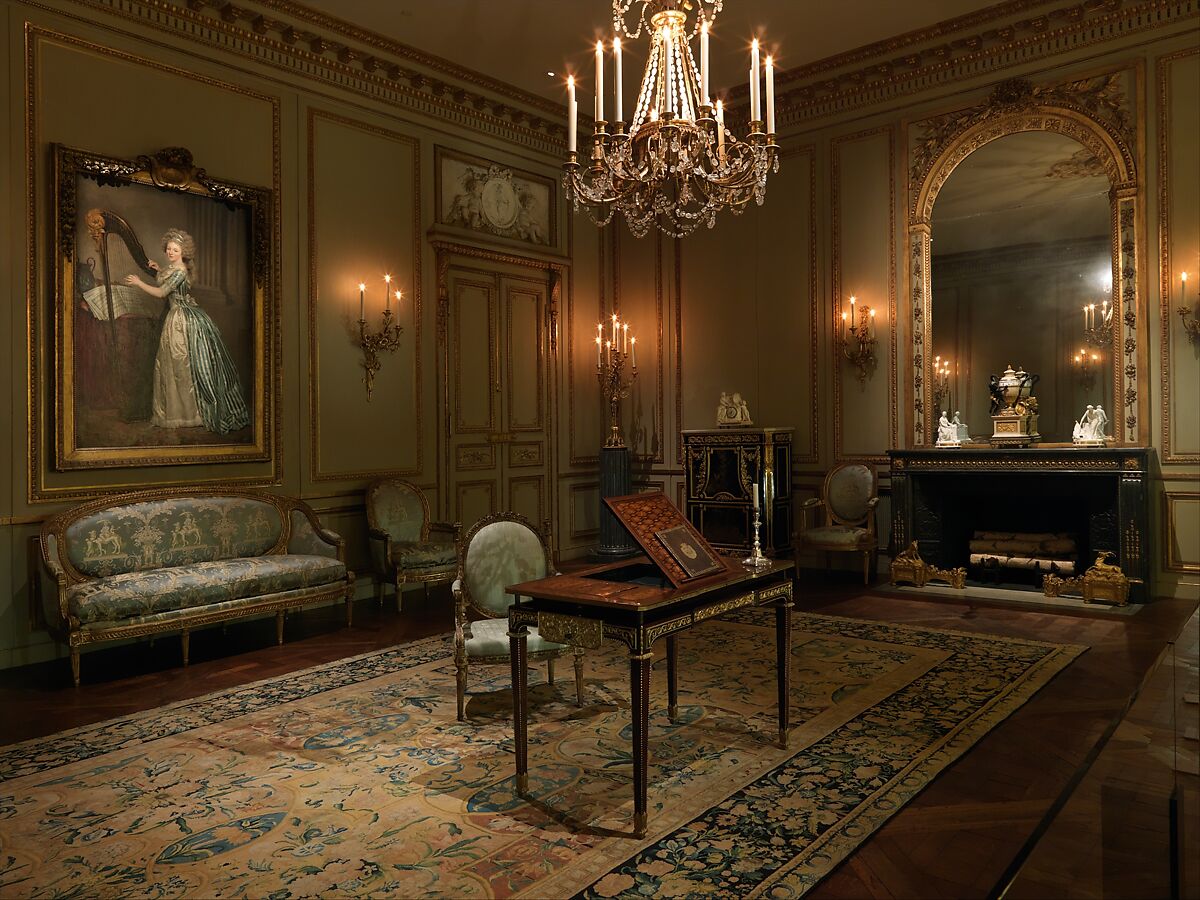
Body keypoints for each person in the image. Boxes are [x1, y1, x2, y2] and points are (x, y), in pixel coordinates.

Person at [124, 228, 250, 434]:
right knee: (176, 366)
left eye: (175, 250)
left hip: (182, 321)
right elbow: (167, 279)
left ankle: (189, 413)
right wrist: (157, 270)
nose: (171, 252)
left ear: (183, 252)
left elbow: (161, 292)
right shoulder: (175, 268)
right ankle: (181, 411)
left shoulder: (180, 271)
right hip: (180, 316)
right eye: (169, 249)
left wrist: (139, 283)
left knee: (181, 365)